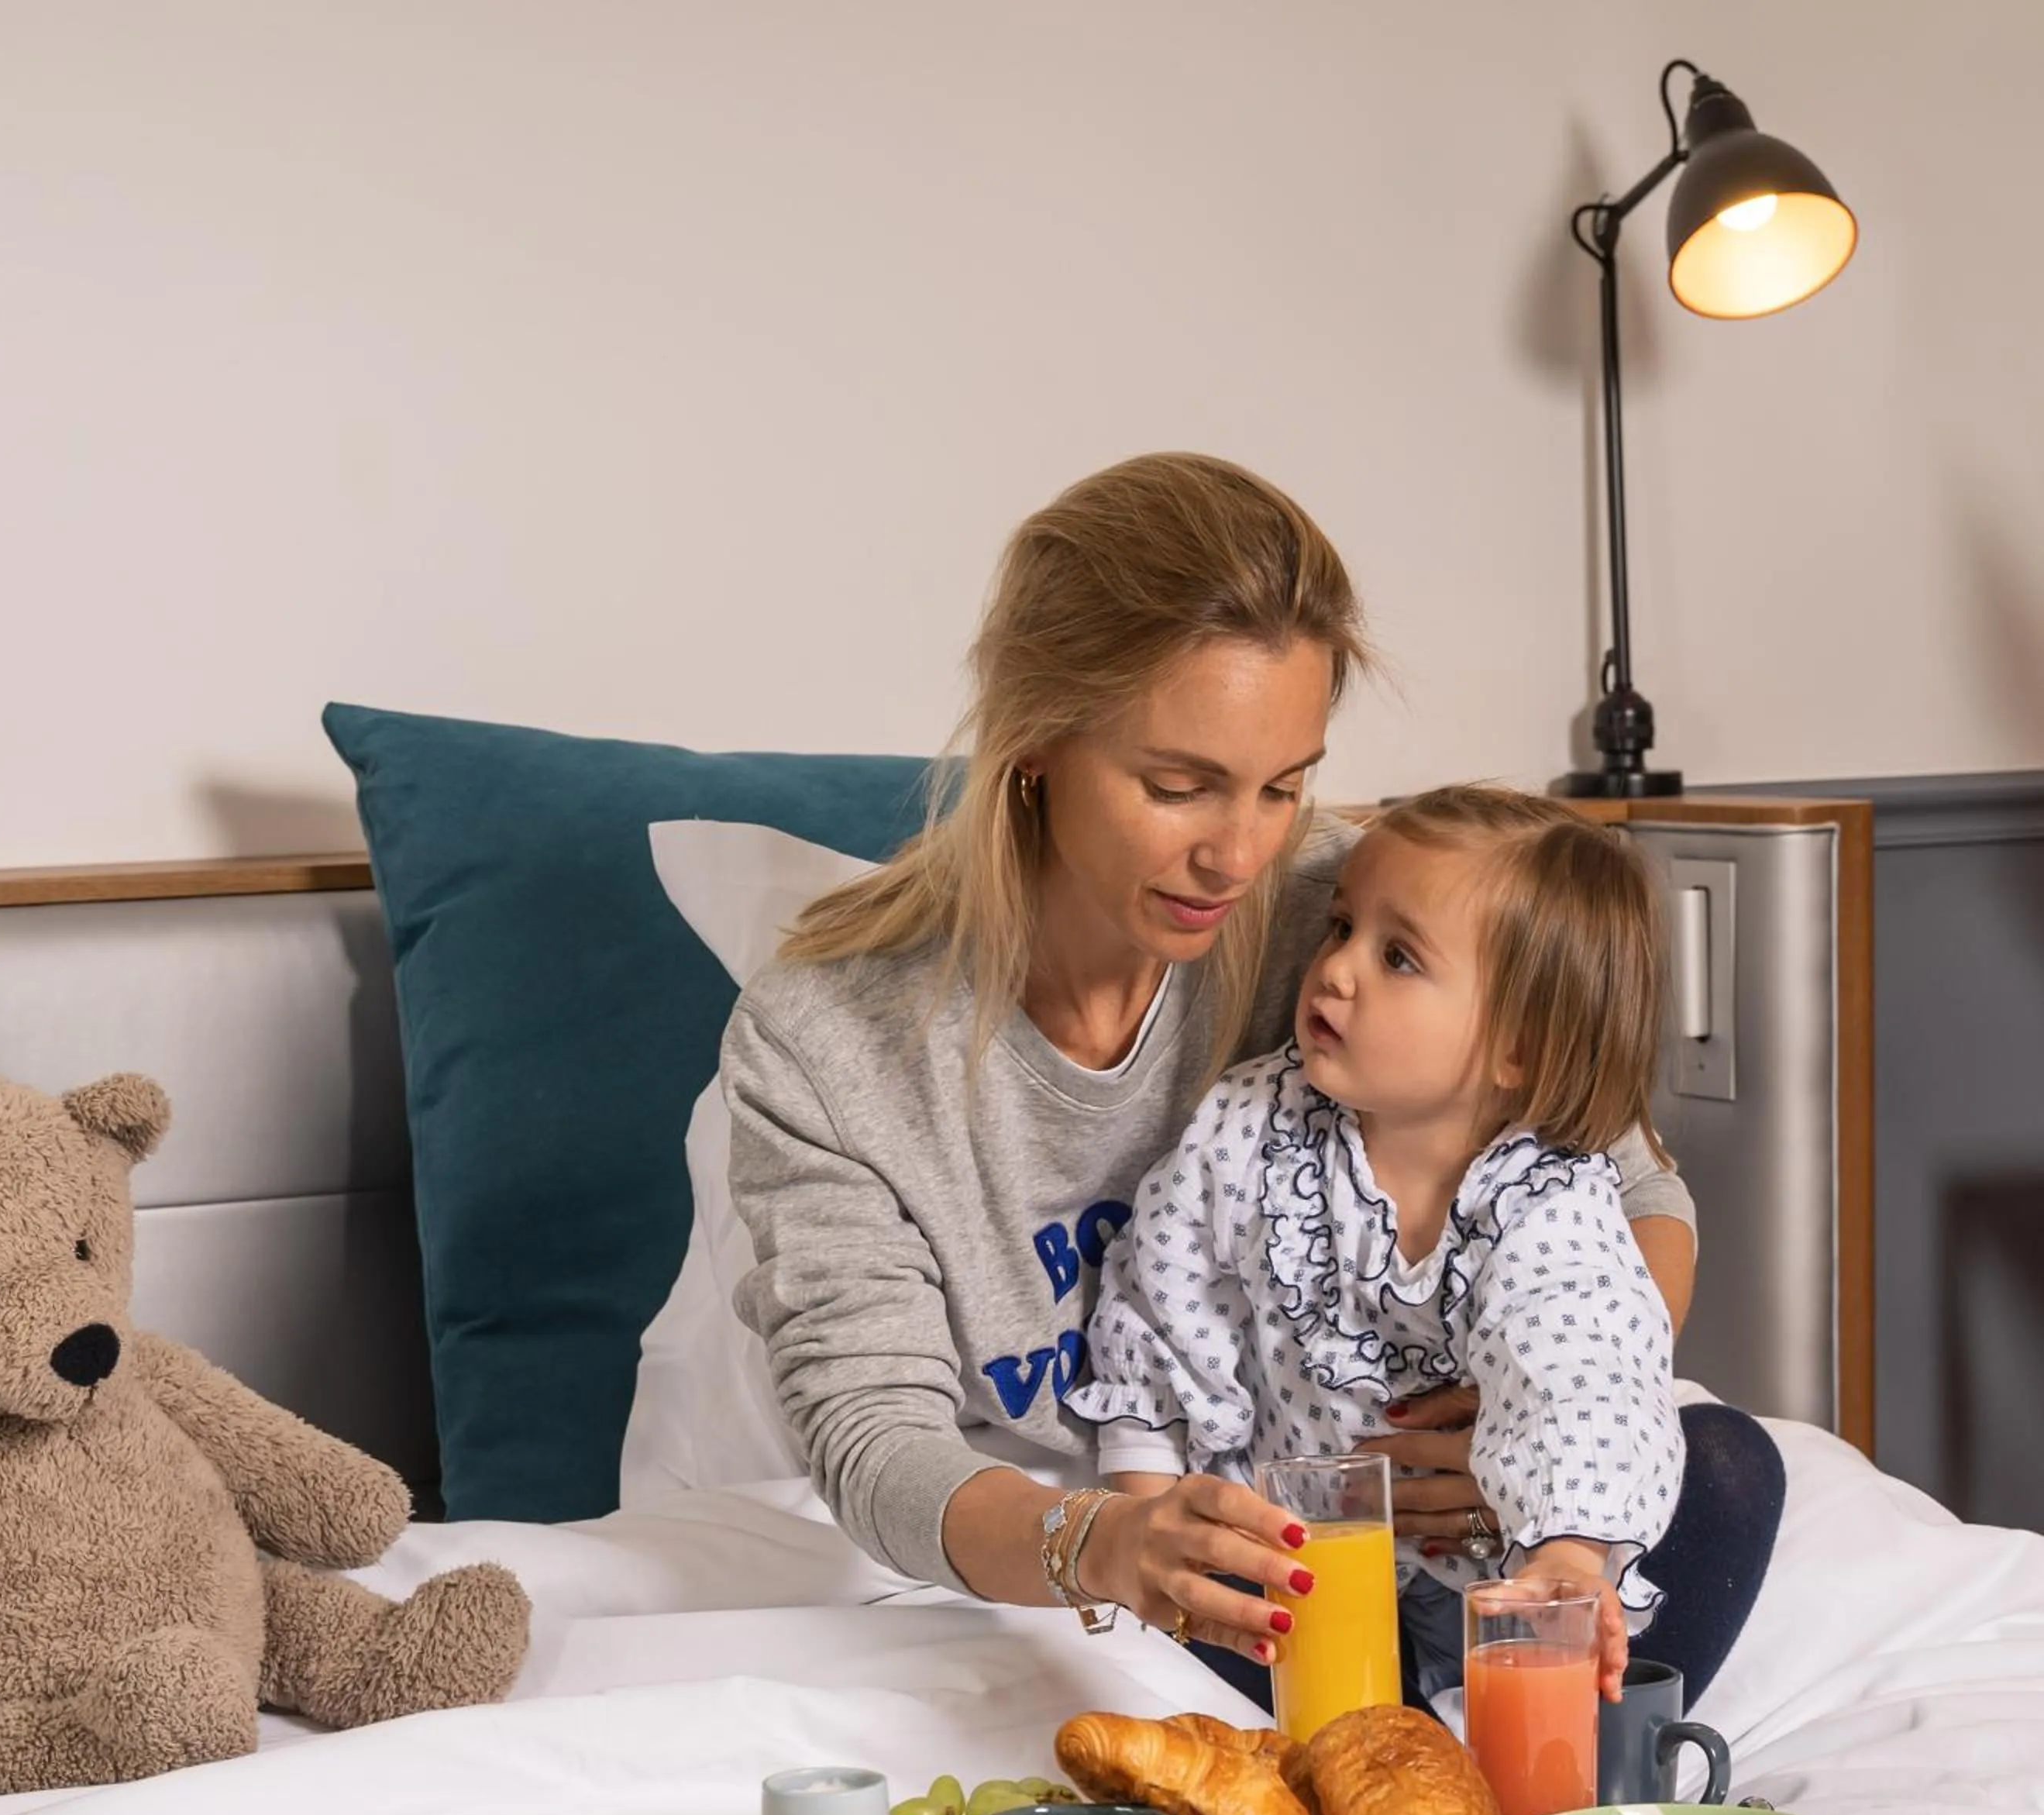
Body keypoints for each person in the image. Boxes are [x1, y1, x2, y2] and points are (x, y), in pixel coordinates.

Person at [721, 452, 1781, 1710]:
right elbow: (874, 1441)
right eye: (1180, 787)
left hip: (1434, 1521)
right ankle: (1391, 1776)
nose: (1238, 853)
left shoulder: (1353, 915)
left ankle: (1498, 1784)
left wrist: (1528, 1405)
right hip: (1136, 1570)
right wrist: (1106, 1544)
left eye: (1284, 786)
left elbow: (1627, 1175)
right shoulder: (828, 1042)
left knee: (1717, 1468)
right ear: (1037, 742)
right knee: (1152, 1655)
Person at [1073, 784, 1688, 1707]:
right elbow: (1162, 1311)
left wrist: (1567, 1557)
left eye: (1398, 956)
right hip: (1288, 1554)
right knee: (1259, 1680)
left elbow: (1586, 1368)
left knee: (1694, 1504)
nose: (1336, 970)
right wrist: (1144, 1509)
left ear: (1516, 1047)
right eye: (1339, 927)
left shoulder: (1549, 1193)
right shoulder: (1249, 1125)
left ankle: (1535, 1738)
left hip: (1479, 1562)